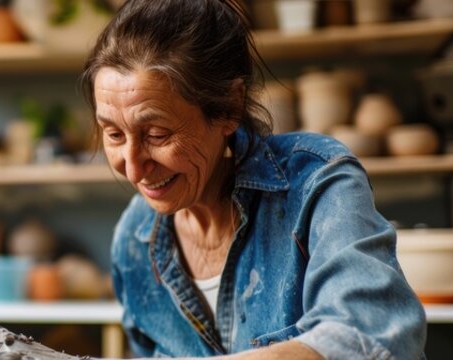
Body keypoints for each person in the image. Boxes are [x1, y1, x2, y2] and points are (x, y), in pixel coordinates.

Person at [78, 0, 426, 358]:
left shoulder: (316, 185)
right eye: (114, 135)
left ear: (229, 107)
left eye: (156, 134)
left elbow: (372, 336)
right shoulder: (134, 240)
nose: (132, 170)